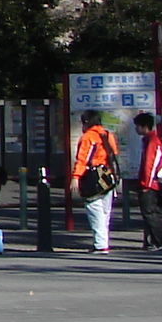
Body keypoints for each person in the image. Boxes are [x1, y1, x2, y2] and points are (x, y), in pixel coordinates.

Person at [69, 109, 121, 254]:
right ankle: (104, 241)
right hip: (107, 176)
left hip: (92, 177)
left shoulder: (88, 137)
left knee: (94, 210)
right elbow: (114, 154)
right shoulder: (108, 135)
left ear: (86, 122)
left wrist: (76, 177)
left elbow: (82, 159)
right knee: (105, 212)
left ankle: (100, 244)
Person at [132, 111, 162, 250]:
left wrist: (146, 184)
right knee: (155, 213)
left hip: (150, 185)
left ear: (144, 126)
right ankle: (154, 241)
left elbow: (151, 164)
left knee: (151, 213)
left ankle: (159, 241)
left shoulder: (152, 141)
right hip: (153, 184)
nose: (136, 129)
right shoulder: (150, 140)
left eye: (137, 126)